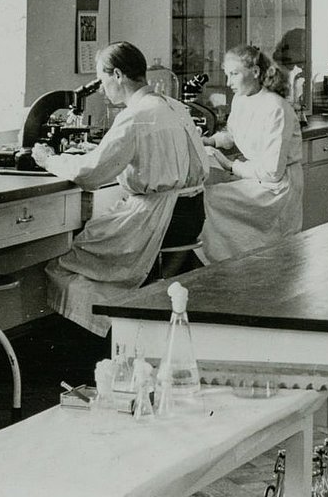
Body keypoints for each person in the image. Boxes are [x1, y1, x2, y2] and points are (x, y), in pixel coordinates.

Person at [33, 41, 209, 335]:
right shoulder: (173, 106)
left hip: (158, 220)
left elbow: (90, 174)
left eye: (103, 81)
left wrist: (49, 159)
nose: (102, 90)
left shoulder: (134, 116)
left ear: (117, 75)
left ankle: (110, 335)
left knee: (67, 260)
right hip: (189, 214)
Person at [199, 43, 305, 262]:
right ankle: (226, 269)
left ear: (255, 72)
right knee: (204, 198)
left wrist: (230, 166)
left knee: (208, 200)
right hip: (257, 179)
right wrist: (208, 140)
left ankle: (219, 267)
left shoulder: (275, 107)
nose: (228, 83)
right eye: (227, 75)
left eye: (234, 74)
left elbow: (271, 172)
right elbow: (232, 134)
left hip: (277, 189)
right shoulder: (241, 99)